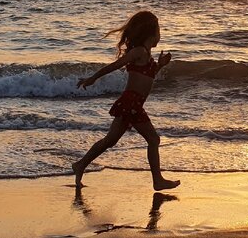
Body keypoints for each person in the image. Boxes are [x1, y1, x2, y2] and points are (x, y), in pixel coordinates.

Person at [73, 10, 181, 190]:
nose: (160, 36)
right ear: (150, 33)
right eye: (159, 32)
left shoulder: (146, 54)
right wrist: (93, 78)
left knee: (110, 141)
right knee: (153, 140)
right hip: (131, 103)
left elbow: (147, 76)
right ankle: (157, 180)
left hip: (132, 104)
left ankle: (80, 165)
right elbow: (115, 65)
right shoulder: (138, 52)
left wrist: (160, 65)